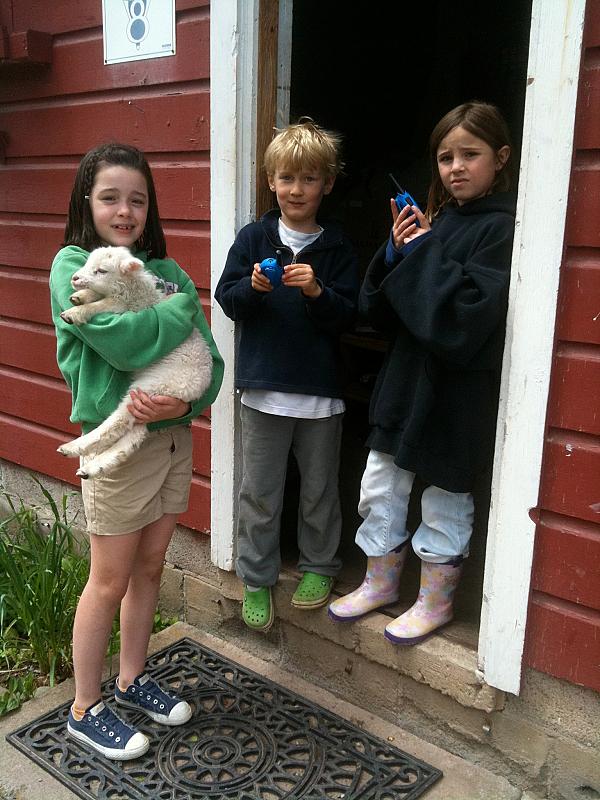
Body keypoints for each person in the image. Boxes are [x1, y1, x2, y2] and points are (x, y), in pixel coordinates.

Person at [49, 142, 224, 760]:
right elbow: (123, 343)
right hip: (120, 446)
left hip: (172, 438)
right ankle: (83, 707)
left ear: (150, 208)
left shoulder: (166, 270)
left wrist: (187, 405)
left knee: (150, 568)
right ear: (86, 202)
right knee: (109, 578)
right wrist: (180, 310)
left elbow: (214, 362)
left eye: (137, 200)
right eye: (110, 198)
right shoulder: (75, 265)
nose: (125, 211)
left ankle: (131, 677)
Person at [328, 101, 515, 645]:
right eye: (444, 157)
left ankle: (435, 601)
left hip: (456, 392)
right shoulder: (437, 226)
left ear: (500, 158)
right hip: (405, 383)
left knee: (444, 496)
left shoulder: (504, 232)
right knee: (380, 484)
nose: (455, 167)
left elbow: (464, 319)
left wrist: (426, 250)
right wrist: (392, 252)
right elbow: (378, 313)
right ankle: (380, 583)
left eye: (470, 155)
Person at [215, 119, 359, 632]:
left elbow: (350, 315)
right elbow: (227, 301)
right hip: (262, 391)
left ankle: (320, 567)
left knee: (321, 489)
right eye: (287, 179)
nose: (297, 190)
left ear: (328, 184)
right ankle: (258, 577)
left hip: (320, 394)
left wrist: (318, 292)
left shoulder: (337, 247)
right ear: (270, 182)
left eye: (309, 179)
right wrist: (253, 287)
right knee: (260, 491)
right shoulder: (254, 238)